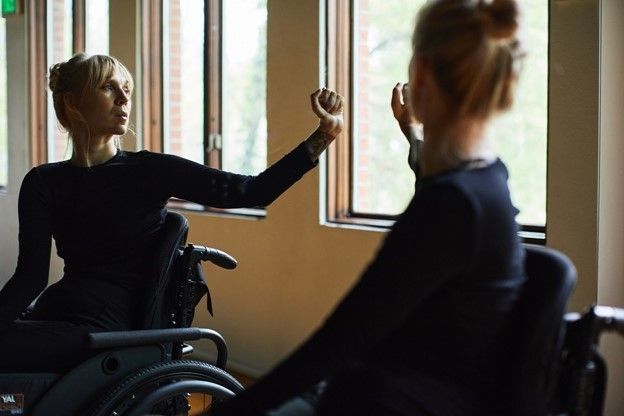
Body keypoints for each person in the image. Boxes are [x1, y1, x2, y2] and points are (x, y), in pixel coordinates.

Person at [211, 0, 525, 415]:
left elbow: (342, 338)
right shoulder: (488, 180)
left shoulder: (450, 206)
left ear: (421, 73)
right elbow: (437, 174)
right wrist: (411, 129)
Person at [0, 52, 344, 373]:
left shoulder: (149, 170)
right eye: (108, 87)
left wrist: (322, 137)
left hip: (107, 328)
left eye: (127, 89)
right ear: (72, 103)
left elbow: (251, 191)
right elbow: (29, 278)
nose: (124, 99)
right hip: (56, 312)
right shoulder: (43, 181)